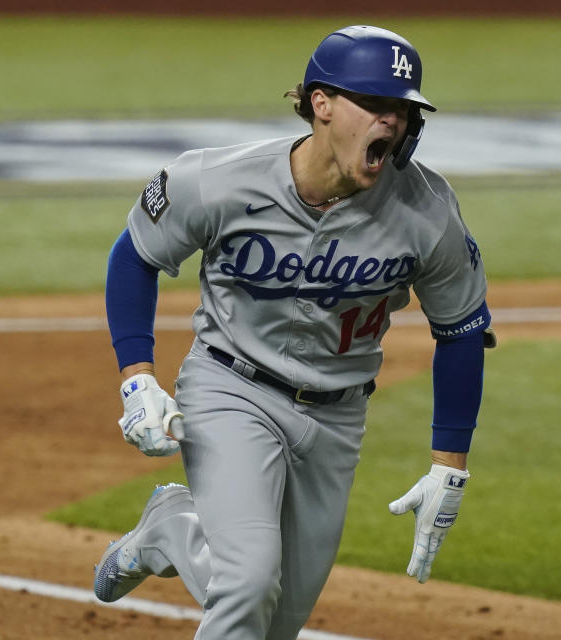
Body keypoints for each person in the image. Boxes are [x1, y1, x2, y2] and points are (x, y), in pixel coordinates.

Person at [94, 24, 494, 640]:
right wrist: (137, 376)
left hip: (337, 420)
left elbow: (462, 328)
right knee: (248, 581)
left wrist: (450, 465)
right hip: (231, 389)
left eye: (404, 111)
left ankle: (173, 528)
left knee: (275, 624)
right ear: (321, 103)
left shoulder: (426, 212)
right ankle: (178, 525)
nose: (393, 123)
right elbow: (135, 255)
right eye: (377, 105)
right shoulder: (219, 180)